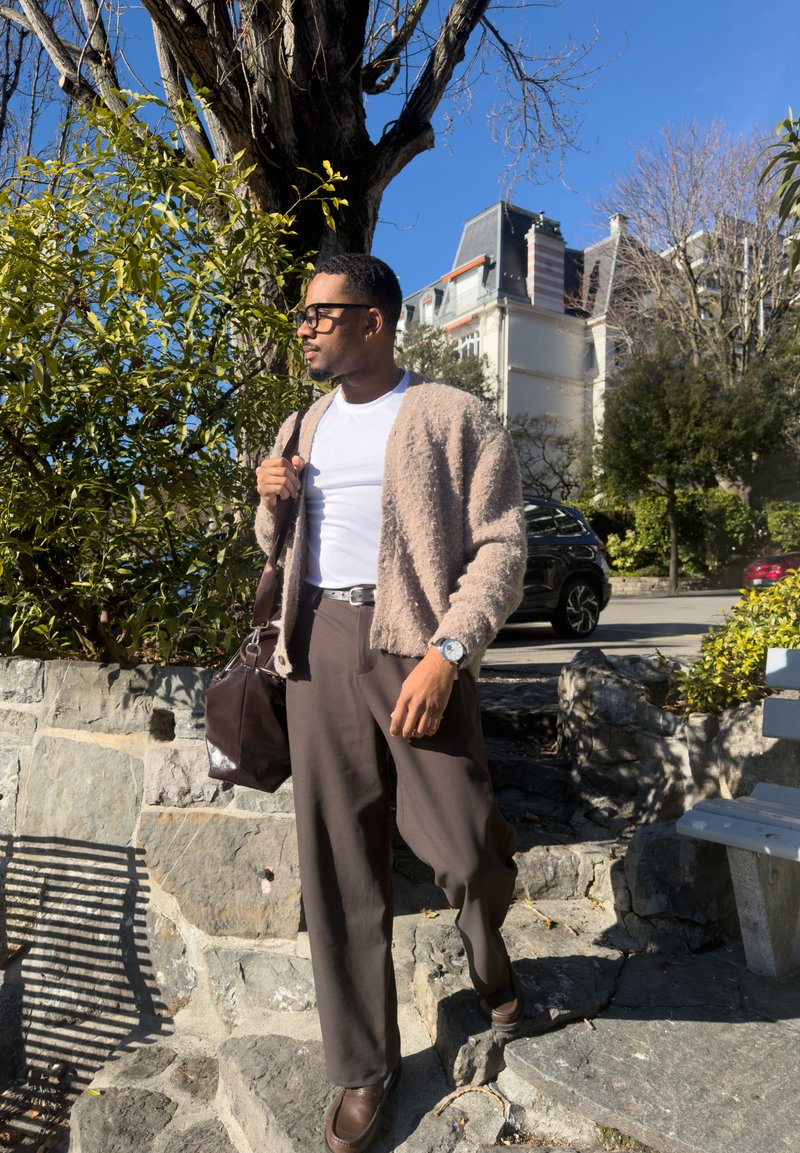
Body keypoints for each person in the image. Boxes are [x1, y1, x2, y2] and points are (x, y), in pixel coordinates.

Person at [255, 253, 526, 1153]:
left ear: (373, 320)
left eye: (320, 314)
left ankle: (492, 967)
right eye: (303, 315)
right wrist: (272, 502)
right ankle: (363, 1068)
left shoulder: (453, 415)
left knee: (467, 843)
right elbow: (278, 548)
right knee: (337, 863)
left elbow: (501, 548)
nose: (305, 328)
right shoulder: (305, 422)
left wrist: (450, 650)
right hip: (322, 642)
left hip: (417, 644)